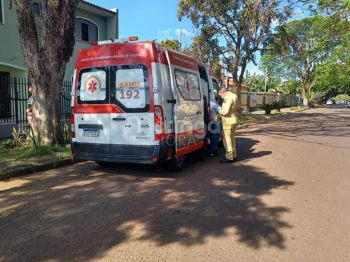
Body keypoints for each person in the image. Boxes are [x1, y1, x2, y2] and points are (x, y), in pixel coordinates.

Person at [218, 87, 239, 163]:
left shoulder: (227, 98)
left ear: (223, 92)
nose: (221, 96)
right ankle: (234, 155)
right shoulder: (234, 96)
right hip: (234, 120)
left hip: (228, 121)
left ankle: (229, 157)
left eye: (220, 94)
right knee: (232, 138)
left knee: (227, 140)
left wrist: (218, 110)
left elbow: (225, 111)